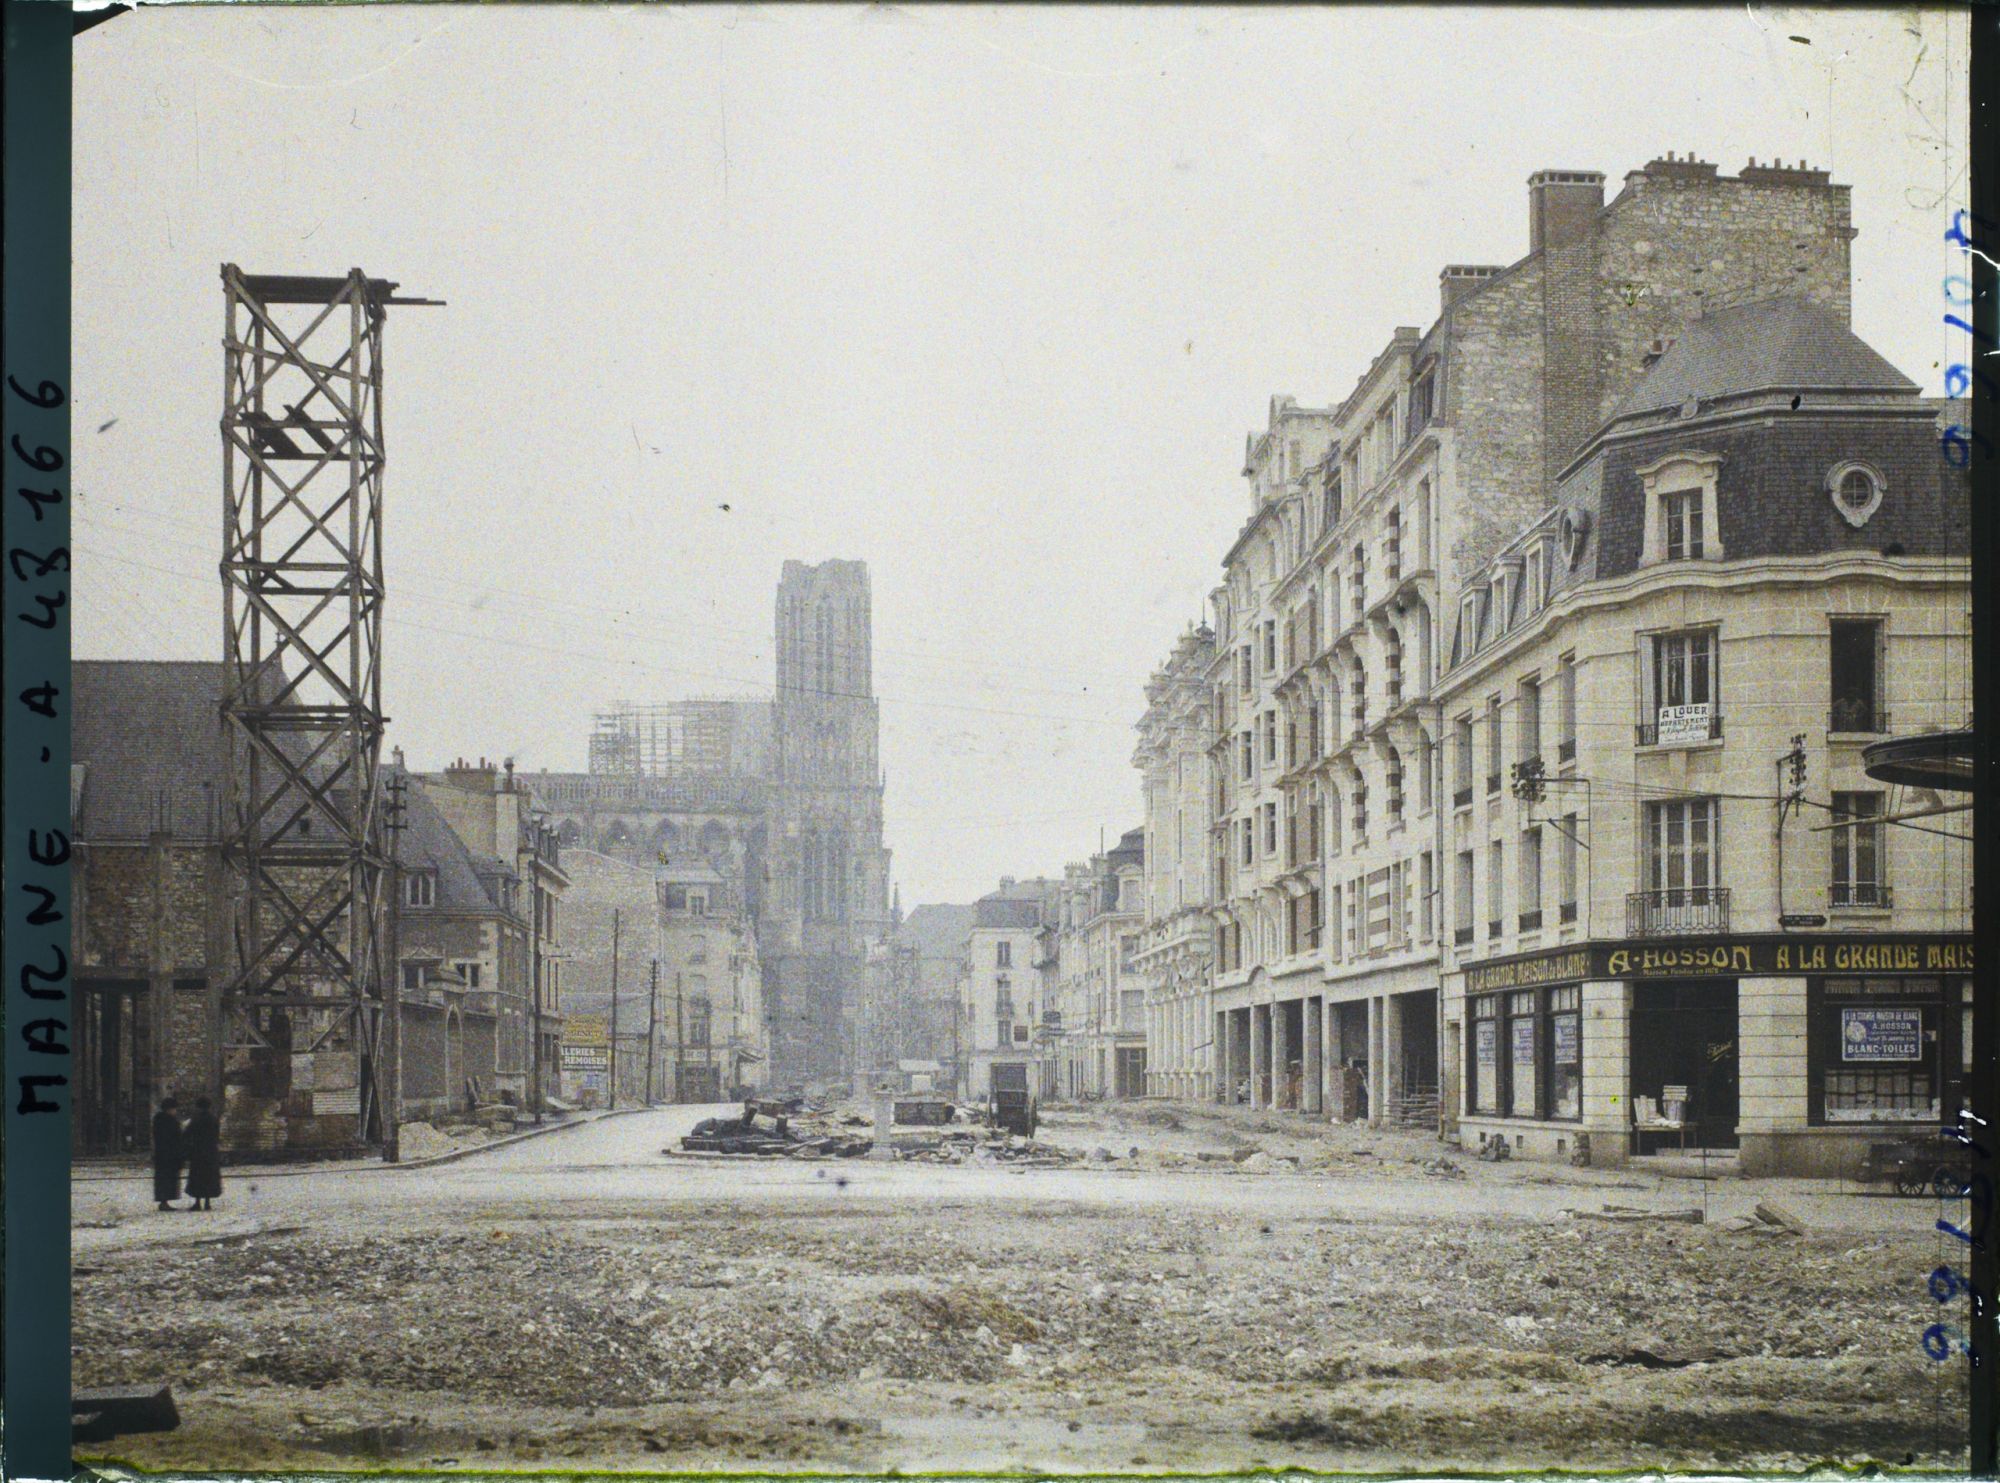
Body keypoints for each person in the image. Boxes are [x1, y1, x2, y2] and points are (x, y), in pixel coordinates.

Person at [184, 1095, 223, 1212]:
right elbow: (217, 1135)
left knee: (197, 1176)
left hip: (198, 1151)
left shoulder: (195, 1119)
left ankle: (197, 1202)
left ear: (198, 1107)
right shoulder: (214, 1119)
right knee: (209, 1176)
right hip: (211, 1151)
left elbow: (187, 1134)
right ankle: (207, 1202)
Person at [150, 1096, 184, 1212]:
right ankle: (164, 1201)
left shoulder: (158, 1119)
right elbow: (176, 1137)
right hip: (170, 1154)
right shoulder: (170, 1121)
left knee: (163, 1178)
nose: (175, 1111)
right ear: (170, 1109)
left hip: (161, 1154)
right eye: (174, 1109)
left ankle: (163, 1201)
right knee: (168, 1179)